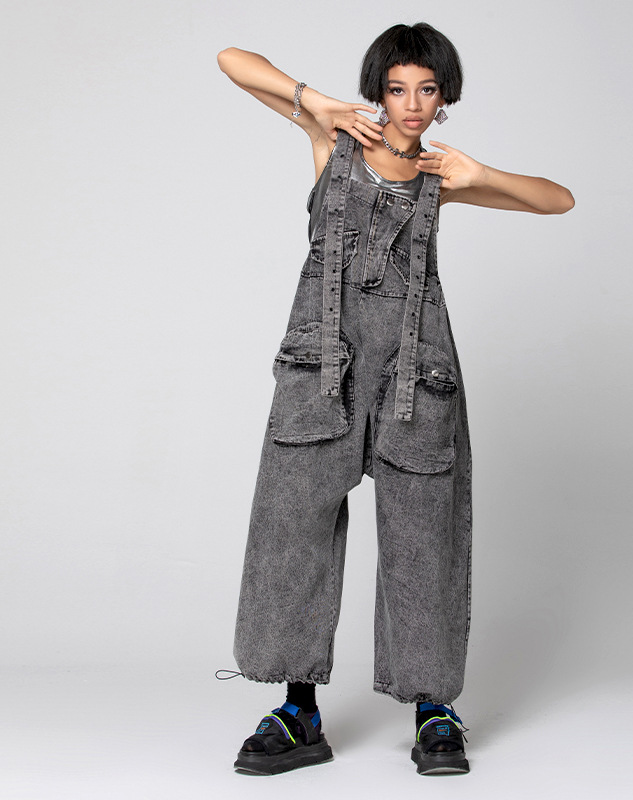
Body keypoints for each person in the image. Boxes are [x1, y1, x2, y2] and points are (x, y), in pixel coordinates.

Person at [216, 22, 574, 777]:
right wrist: (317, 101)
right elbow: (232, 60)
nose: (411, 104)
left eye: (427, 90)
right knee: (292, 535)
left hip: (418, 375)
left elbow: (558, 200)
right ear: (379, 91)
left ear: (445, 99)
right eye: (397, 88)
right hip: (320, 371)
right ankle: (298, 712)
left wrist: (483, 172)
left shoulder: (445, 175)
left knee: (424, 543)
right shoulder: (333, 139)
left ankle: (434, 711)